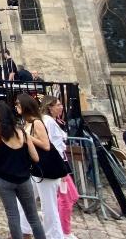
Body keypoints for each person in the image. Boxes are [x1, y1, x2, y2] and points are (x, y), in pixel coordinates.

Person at [0, 101, 45, 239]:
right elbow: (35, 157)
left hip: (3, 177)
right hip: (23, 177)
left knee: (13, 215)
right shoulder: (22, 132)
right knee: (33, 216)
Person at [16, 93, 63, 238]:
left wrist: (25, 136)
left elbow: (46, 145)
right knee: (24, 200)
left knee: (48, 207)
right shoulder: (27, 123)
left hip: (47, 169)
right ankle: (24, 230)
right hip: (35, 169)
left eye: (18, 104)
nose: (16, 106)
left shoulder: (37, 122)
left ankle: (54, 236)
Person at [42, 97, 78, 239]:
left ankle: (55, 223)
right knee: (66, 198)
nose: (62, 107)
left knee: (71, 195)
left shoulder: (53, 121)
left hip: (61, 161)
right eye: (58, 105)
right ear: (50, 107)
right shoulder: (48, 121)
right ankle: (64, 231)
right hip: (58, 163)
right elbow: (51, 145)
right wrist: (60, 167)